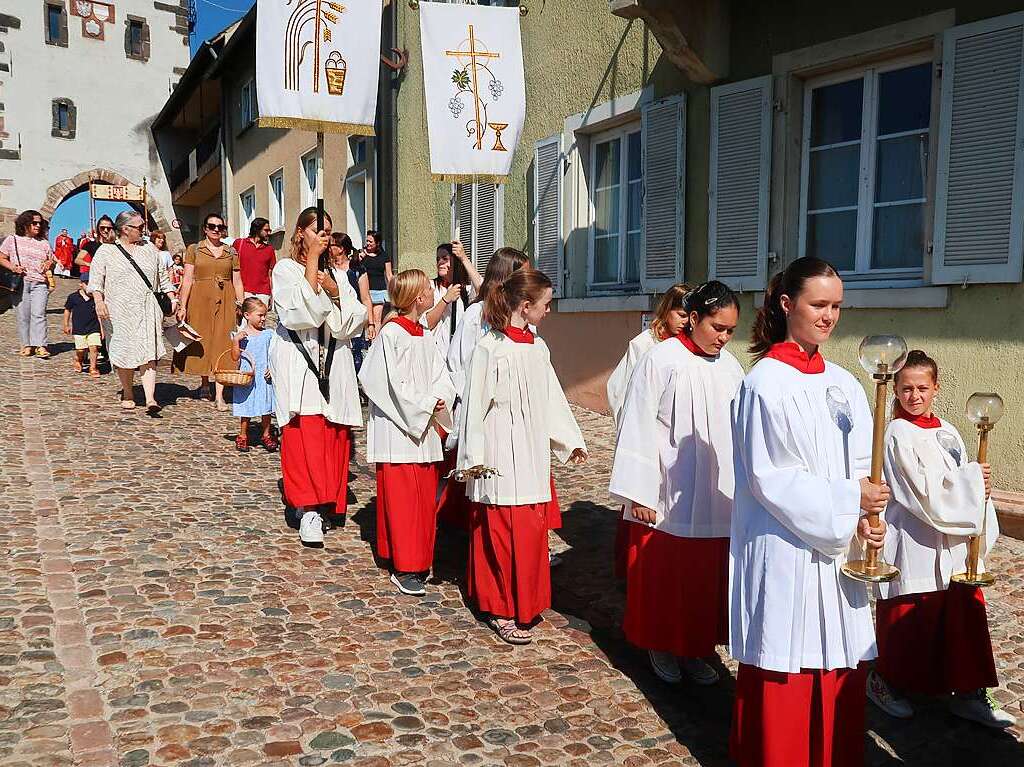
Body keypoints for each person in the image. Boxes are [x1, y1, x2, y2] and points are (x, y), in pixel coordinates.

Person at [729, 256, 889, 767]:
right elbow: (769, 477)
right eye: (818, 304)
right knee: (788, 664)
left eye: (837, 306)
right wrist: (849, 503)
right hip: (786, 551)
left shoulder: (844, 383)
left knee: (838, 660)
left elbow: (865, 459)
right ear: (786, 303)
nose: (829, 316)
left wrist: (868, 518)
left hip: (837, 552)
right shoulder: (764, 383)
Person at [867, 350, 1014, 728]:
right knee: (912, 620)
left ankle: (968, 691)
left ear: (936, 387)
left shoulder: (947, 430)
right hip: (914, 540)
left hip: (952, 545)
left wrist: (979, 486)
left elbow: (961, 478)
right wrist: (969, 483)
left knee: (963, 617)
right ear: (895, 389)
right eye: (906, 388)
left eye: (922, 388)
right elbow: (920, 493)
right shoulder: (896, 433)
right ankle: (886, 681)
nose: (914, 396)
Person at [610, 281, 743, 686]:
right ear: (695, 319)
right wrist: (640, 491)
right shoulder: (661, 359)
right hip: (671, 488)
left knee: (705, 580)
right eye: (717, 327)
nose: (723, 337)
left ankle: (696, 648)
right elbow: (637, 424)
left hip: (717, 492)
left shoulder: (732, 366)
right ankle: (661, 645)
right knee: (668, 575)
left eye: (730, 330)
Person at [458, 268, 587, 644]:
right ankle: (499, 607)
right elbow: (474, 408)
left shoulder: (538, 347)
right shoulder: (489, 348)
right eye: (546, 304)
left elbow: (552, 398)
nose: (549, 311)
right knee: (499, 531)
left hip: (530, 453)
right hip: (497, 454)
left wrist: (568, 440)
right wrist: (472, 459)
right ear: (526, 305)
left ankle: (526, 601)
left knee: (530, 531)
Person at [269, 207, 366, 547]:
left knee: (330, 435)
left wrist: (335, 291)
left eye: (328, 230)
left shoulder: (336, 275)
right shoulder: (285, 269)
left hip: (333, 363)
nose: (324, 236)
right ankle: (307, 507)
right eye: (317, 230)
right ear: (299, 233)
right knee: (304, 434)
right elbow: (297, 313)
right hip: (300, 361)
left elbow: (352, 320)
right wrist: (312, 263)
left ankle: (325, 501)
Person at [358, 269, 457, 596]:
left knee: (422, 498)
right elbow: (387, 386)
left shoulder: (424, 334)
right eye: (429, 290)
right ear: (418, 298)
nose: (433, 293)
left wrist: (440, 396)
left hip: (424, 426)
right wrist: (427, 402)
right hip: (400, 431)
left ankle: (417, 558)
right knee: (403, 500)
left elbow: (442, 372)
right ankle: (405, 564)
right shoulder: (391, 335)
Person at [437, 247, 531, 531]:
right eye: (524, 274)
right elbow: (459, 363)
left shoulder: (523, 316)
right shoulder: (475, 315)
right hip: (483, 411)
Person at [606, 282, 692, 578]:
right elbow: (620, 389)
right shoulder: (644, 345)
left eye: (690, 316)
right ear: (667, 311)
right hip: (646, 434)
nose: (685, 321)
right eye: (680, 314)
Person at [89, 211, 176, 417]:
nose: (143, 230)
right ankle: (128, 392)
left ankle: (150, 398)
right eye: (139, 226)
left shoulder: (150, 249)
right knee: (124, 351)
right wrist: (99, 302)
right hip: (118, 311)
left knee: (149, 351)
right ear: (125, 229)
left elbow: (163, 278)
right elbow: (96, 281)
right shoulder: (106, 251)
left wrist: (173, 298)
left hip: (147, 307)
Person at [173, 213, 243, 410]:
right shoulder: (194, 249)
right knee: (202, 340)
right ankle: (205, 382)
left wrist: (242, 303)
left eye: (220, 227)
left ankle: (220, 394)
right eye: (212, 226)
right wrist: (183, 305)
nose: (216, 230)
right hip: (200, 298)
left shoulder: (232, 252)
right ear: (205, 228)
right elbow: (187, 279)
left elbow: (237, 280)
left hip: (226, 298)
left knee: (223, 341)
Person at [0, 210, 55, 358]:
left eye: (40, 223)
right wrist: (13, 267)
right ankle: (26, 344)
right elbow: (2, 257)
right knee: (23, 315)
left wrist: (49, 263)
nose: (38, 226)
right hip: (21, 282)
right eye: (34, 223)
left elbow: (51, 260)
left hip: (39, 283)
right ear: (25, 224)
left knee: (39, 314)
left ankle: (41, 345)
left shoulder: (44, 243)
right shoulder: (12, 240)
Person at [231, 297, 277, 453]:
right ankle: (243, 435)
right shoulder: (242, 335)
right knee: (246, 406)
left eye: (264, 315)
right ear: (247, 315)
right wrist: (236, 341)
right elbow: (235, 357)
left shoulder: (268, 334)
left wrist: (272, 367)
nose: (263, 319)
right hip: (248, 377)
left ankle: (266, 434)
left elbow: (273, 354)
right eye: (260, 315)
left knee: (266, 406)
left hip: (264, 377)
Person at [423, 240, 483, 359]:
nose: (440, 262)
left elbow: (483, 290)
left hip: (462, 353)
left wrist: (464, 258)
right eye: (437, 259)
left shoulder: (466, 289)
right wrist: (446, 300)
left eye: (444, 258)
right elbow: (427, 323)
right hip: (438, 354)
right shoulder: (431, 287)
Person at [328, 232, 374, 372]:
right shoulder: (328, 269)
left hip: (355, 319)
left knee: (356, 358)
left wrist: (370, 324)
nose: (328, 248)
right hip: (334, 319)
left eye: (331, 245)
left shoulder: (357, 269)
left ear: (341, 248)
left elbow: (365, 298)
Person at [63, 278, 102, 377]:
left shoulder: (96, 297)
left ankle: (93, 367)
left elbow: (99, 314)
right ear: (80, 284)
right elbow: (67, 310)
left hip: (93, 327)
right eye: (86, 284)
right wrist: (66, 324)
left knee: (94, 348)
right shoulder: (73, 297)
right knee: (81, 349)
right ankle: (78, 359)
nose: (89, 287)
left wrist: (102, 328)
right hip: (79, 328)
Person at [236, 217, 276, 308]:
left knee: (260, 321)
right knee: (243, 322)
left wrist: (271, 295)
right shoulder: (239, 244)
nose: (269, 233)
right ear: (257, 229)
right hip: (243, 292)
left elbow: (270, 274)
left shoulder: (269, 249)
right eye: (266, 230)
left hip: (263, 294)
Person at [362, 229, 393, 335]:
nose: (368, 244)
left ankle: (375, 343)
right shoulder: (362, 254)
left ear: (377, 243)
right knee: (366, 319)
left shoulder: (384, 256)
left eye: (370, 241)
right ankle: (367, 342)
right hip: (365, 292)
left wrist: (394, 291)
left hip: (379, 291)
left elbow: (389, 275)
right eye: (367, 241)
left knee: (377, 319)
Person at [76, 216, 114, 285]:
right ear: (98, 228)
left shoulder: (116, 245)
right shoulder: (90, 244)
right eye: (102, 228)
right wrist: (91, 264)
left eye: (108, 228)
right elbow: (78, 260)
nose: (105, 230)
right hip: (98, 277)